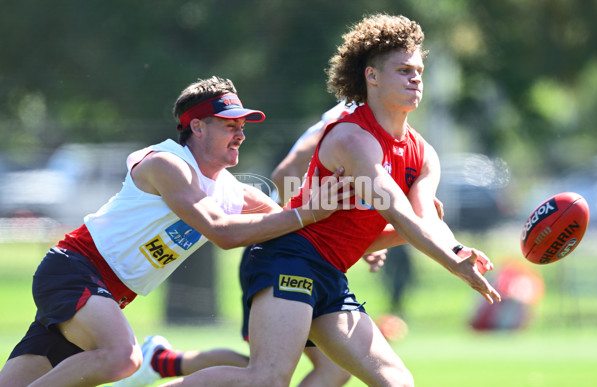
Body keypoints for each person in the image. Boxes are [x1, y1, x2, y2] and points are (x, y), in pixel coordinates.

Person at [159, 13, 501, 387]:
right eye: (403, 70)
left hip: (331, 274)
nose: (416, 78)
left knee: (397, 382)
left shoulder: (424, 153)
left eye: (418, 70)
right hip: (289, 258)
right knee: (267, 379)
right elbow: (400, 215)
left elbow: (425, 216)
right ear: (371, 76)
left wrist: (457, 249)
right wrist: (453, 264)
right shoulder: (352, 139)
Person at [0, 76, 350, 387]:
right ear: (197, 127)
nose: (241, 134)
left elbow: (295, 230)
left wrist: (365, 239)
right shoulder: (167, 164)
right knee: (123, 358)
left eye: (243, 125)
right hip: (75, 270)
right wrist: (309, 213)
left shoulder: (235, 192)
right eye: (230, 125)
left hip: (108, 292)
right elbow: (223, 233)